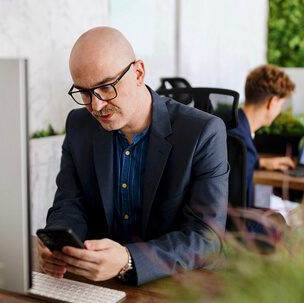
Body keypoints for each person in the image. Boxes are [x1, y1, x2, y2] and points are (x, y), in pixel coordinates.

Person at [38, 27, 229, 286]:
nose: (96, 106)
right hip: (100, 285)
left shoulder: (203, 132)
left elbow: (206, 239)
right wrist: (59, 244)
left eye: (105, 87)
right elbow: (69, 203)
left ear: (138, 72)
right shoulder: (79, 124)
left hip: (175, 286)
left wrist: (129, 259)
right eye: (84, 92)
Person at [228, 64, 296, 207]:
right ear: (273, 102)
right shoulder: (242, 143)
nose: (279, 111)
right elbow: (242, 212)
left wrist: (261, 162)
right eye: (281, 105)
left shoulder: (233, 125)